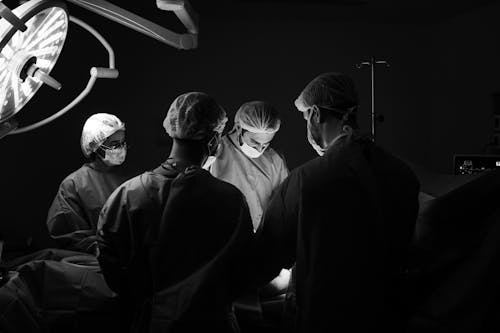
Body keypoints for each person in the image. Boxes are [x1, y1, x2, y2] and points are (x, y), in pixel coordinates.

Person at [254, 72, 420, 332]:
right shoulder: (402, 174)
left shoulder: (306, 180)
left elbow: (265, 259)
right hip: (386, 316)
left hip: (324, 317)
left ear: (316, 114)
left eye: (306, 117)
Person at [96, 92, 254, 333]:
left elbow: (113, 273)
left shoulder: (126, 196)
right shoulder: (229, 199)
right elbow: (241, 273)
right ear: (213, 140)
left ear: (171, 130)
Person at [46, 113, 129, 254]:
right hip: (99, 262)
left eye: (122, 143)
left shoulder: (129, 177)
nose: (120, 148)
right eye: (114, 145)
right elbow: (73, 238)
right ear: (95, 146)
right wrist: (106, 252)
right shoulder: (73, 185)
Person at [207, 101, 289, 231]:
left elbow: (283, 205)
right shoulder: (214, 154)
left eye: (266, 144)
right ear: (239, 128)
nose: (260, 148)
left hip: (260, 240)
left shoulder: (274, 160)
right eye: (254, 142)